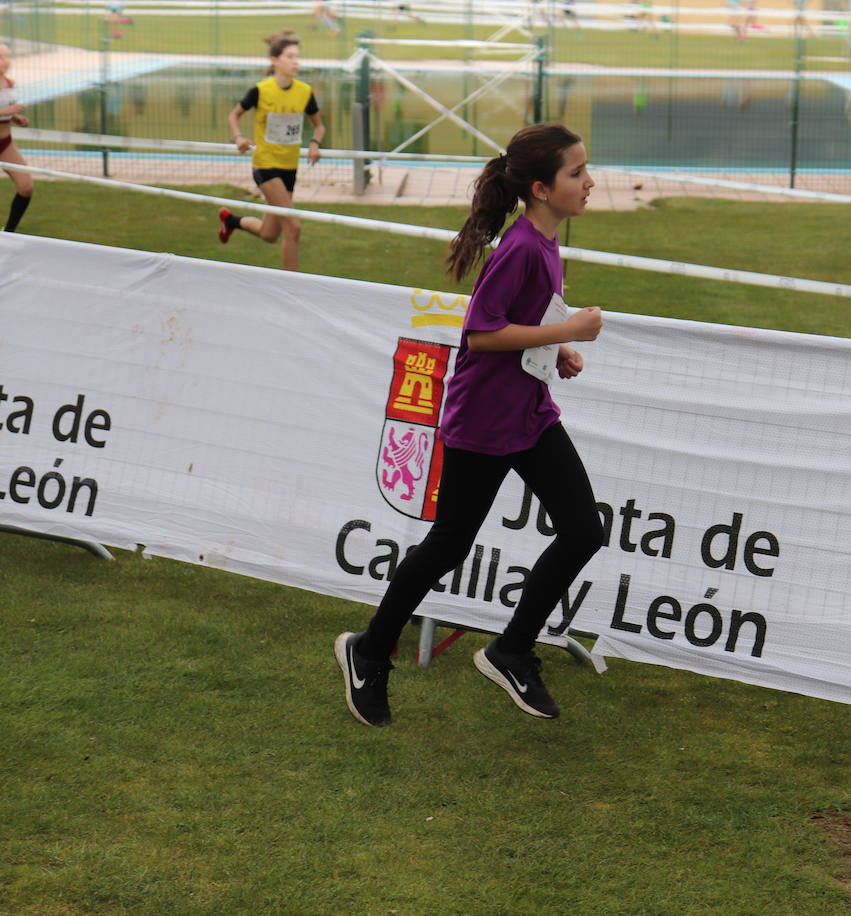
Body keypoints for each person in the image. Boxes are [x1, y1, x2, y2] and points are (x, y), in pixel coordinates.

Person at [336, 123, 604, 725]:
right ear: (541, 187)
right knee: (449, 546)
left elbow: (517, 318)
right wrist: (566, 333)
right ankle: (369, 652)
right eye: (576, 173)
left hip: (529, 416)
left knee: (584, 530)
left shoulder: (544, 240)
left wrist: (553, 351)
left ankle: (511, 649)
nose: (590, 182)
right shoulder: (522, 248)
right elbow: (482, 334)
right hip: (484, 423)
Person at [217, 30, 324, 271]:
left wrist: (315, 144)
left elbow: (319, 126)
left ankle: (231, 221)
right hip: (265, 166)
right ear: (275, 61)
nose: (296, 61)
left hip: (289, 168)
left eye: (297, 57)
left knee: (269, 234)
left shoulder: (305, 92)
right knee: (294, 227)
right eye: (290, 56)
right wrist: (239, 137)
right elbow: (234, 116)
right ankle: (292, 287)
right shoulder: (260, 90)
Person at [0, 42, 33, 233]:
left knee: (26, 187)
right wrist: (7, 110)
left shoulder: (10, 83)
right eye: (0, 57)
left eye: (8, 56)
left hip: (5, 143)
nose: (6, 61)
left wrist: (15, 117)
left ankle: (9, 231)